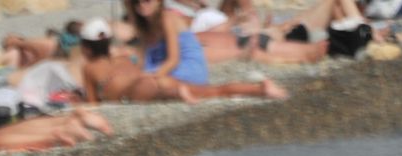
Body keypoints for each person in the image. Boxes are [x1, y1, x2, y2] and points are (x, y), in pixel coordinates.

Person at [85, 14, 287, 102]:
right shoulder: (126, 59)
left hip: (140, 88)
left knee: (209, 94)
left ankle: (176, 93)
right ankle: (260, 88)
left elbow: (93, 102)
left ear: (86, 48)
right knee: (213, 91)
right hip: (155, 77)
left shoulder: (89, 68)